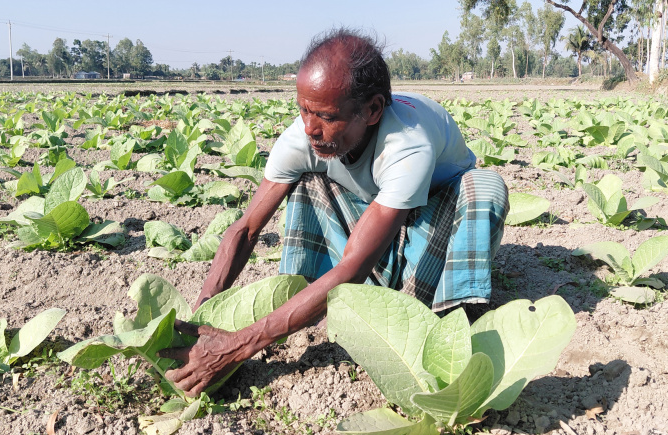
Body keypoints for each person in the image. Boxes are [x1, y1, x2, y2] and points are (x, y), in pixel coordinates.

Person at [159, 28, 509, 396]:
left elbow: (353, 267)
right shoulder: (305, 136)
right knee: (309, 180)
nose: (311, 128)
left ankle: (453, 315)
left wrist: (239, 345)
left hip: (433, 225)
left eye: (325, 115)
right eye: (303, 109)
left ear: (372, 110)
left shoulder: (406, 143)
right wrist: (200, 317)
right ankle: (312, 301)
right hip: (373, 217)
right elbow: (246, 229)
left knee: (484, 188)